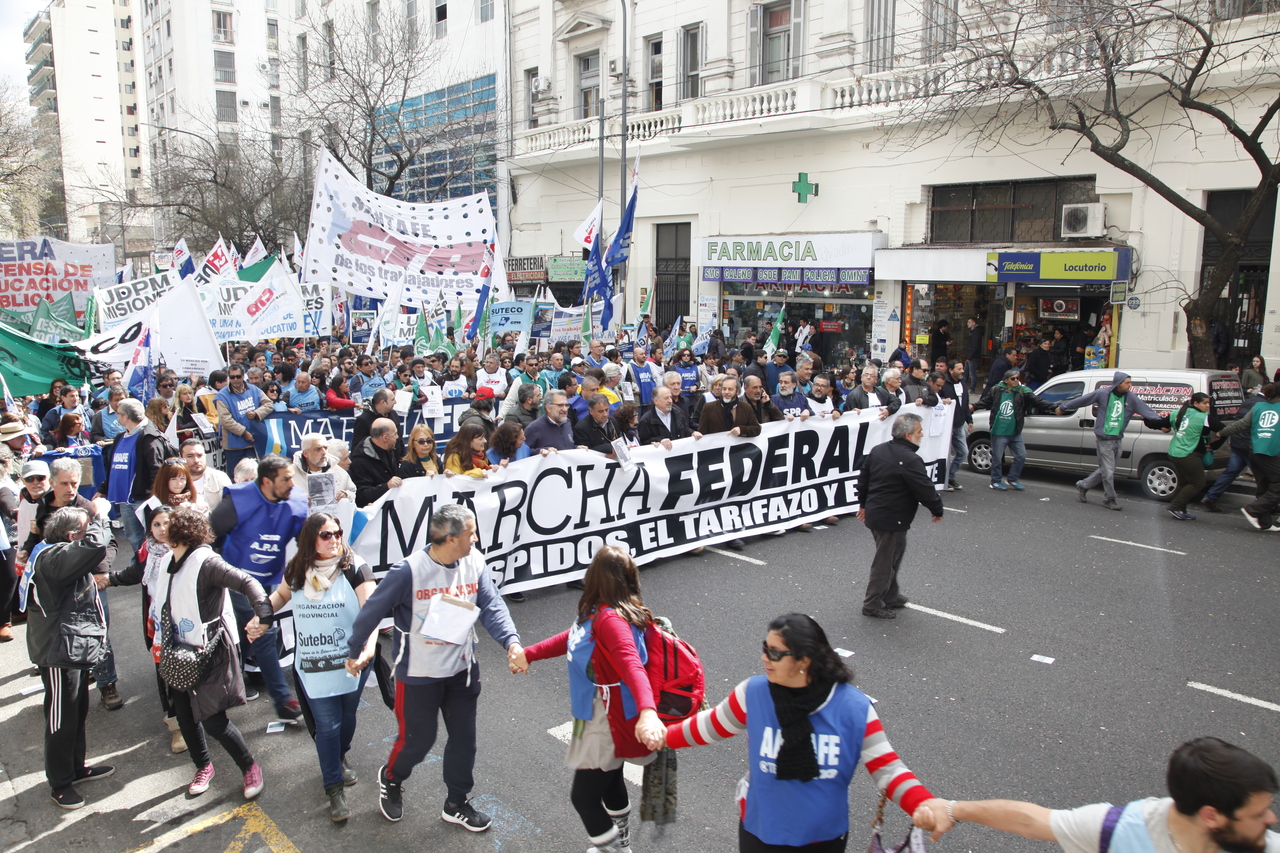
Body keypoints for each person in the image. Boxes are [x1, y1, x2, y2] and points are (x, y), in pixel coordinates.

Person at [661, 613, 943, 852]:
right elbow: (708, 727)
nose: (764, 658)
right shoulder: (753, 693)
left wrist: (923, 804)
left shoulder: (853, 708)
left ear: (803, 660)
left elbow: (888, 769)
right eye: (764, 648)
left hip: (823, 838)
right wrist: (661, 737)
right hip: (759, 833)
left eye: (774, 652)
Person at [342, 504, 523, 828]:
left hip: (462, 671)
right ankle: (392, 777)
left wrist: (512, 642)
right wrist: (355, 651)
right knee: (417, 741)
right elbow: (372, 611)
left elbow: (492, 605)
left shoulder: (475, 562)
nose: (476, 539)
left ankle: (456, 802)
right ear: (450, 539)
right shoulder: (408, 571)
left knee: (464, 741)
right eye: (471, 534)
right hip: (418, 676)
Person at [511, 546, 664, 853]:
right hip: (599, 713)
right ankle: (621, 844)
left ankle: (615, 850)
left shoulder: (611, 620)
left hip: (606, 719)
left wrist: (648, 712)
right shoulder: (605, 611)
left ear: (594, 577)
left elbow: (632, 666)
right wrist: (530, 654)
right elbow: (572, 638)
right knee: (610, 781)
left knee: (583, 798)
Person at [911, 737, 1278, 853]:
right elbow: (1031, 821)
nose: (1271, 820)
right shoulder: (1119, 831)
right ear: (1211, 815)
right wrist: (950, 809)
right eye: (1259, 813)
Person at [263, 513, 378, 822]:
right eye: (326, 535)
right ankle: (334, 788)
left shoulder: (356, 568)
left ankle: (340, 755)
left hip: (351, 663)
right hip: (313, 665)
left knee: (346, 718)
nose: (334, 539)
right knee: (327, 725)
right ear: (310, 539)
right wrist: (261, 614)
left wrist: (367, 651)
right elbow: (281, 595)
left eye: (337, 533)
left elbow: (371, 614)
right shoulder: (297, 569)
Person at [157, 506, 274, 801]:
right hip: (178, 651)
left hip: (209, 651)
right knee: (185, 715)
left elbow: (247, 582)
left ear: (179, 533)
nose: (160, 530)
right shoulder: (167, 561)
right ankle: (203, 766)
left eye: (166, 526)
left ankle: (249, 766)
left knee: (212, 719)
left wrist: (262, 613)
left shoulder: (207, 563)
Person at [25, 500, 117, 809]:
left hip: (70, 645)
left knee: (77, 711)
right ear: (70, 536)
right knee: (61, 718)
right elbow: (97, 545)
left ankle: (76, 768)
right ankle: (60, 783)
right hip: (56, 651)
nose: (90, 532)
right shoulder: (54, 558)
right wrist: (100, 516)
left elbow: (102, 550)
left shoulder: (59, 554)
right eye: (85, 529)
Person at [209, 456, 307, 719]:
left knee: (246, 634)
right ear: (266, 482)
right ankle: (282, 701)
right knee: (264, 629)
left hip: (267, 577)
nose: (292, 483)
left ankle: (223, 683)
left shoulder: (296, 502)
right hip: (235, 576)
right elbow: (210, 534)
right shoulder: (238, 501)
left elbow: (306, 542)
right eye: (286, 479)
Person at [99, 506, 186, 754]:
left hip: (187, 621)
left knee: (193, 669)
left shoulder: (189, 549)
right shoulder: (146, 550)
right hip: (159, 623)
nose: (162, 529)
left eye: (166, 523)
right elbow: (136, 573)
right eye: (156, 524)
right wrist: (110, 579)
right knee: (165, 674)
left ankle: (204, 717)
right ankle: (177, 727)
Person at [855, 413, 944, 619]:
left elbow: (863, 480)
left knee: (893, 555)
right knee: (885, 562)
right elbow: (924, 488)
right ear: (908, 435)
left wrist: (863, 504)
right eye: (919, 431)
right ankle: (872, 603)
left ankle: (890, 595)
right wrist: (936, 509)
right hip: (892, 518)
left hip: (877, 514)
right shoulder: (910, 459)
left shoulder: (878, 450)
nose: (922, 435)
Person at [1058, 371, 1170, 511]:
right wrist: (1063, 408)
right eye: (1127, 383)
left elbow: (1147, 412)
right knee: (1108, 471)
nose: (1130, 385)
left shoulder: (1131, 398)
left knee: (1107, 470)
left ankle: (1083, 485)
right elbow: (1083, 400)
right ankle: (1109, 499)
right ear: (1118, 384)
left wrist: (1162, 424)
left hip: (1117, 439)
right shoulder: (1102, 394)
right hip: (1104, 439)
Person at [97, 398, 174, 554]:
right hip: (125, 499)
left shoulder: (149, 438)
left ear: (126, 417)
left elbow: (156, 470)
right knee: (134, 538)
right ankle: (138, 564)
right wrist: (103, 489)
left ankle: (150, 565)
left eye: (119, 414)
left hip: (143, 499)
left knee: (150, 538)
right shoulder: (121, 437)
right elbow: (113, 467)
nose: (117, 417)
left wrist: (155, 497)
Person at [973, 369, 1056, 491]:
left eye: (1017, 378)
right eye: (1013, 378)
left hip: (1015, 432)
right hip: (999, 431)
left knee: (1021, 456)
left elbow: (1038, 401)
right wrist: (973, 407)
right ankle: (995, 481)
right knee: (997, 459)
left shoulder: (1022, 391)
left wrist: (1054, 407)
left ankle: (1012, 478)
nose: (1016, 380)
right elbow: (985, 402)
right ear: (1006, 380)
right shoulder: (996, 390)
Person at [1216, 382, 1280, 530]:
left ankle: (1264, 523)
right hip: (1271, 453)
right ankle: (1252, 510)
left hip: (1254, 452)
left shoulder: (1258, 407)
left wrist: (1222, 432)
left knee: (1264, 487)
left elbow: (1241, 424)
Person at [1165, 392, 1225, 521]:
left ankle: (1181, 510)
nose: (1208, 406)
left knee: (1184, 482)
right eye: (1205, 403)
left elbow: (1161, 423)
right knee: (1198, 483)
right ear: (1196, 403)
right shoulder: (1204, 417)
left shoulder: (1177, 412)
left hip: (1174, 452)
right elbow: (1224, 430)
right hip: (1189, 454)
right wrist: (1214, 445)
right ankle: (1175, 506)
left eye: (1209, 403)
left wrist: (1149, 419)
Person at [1203, 388, 1265, 512]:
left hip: (1237, 442)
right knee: (1262, 476)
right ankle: (1264, 505)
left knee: (1231, 471)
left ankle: (1211, 496)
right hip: (1250, 444)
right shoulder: (1264, 405)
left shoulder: (1248, 401)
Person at [214, 365, 272, 474]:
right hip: (233, 445)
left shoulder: (254, 389)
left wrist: (256, 413)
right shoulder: (221, 396)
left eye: (238, 376)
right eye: (232, 377)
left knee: (253, 474)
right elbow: (225, 420)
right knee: (235, 475)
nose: (235, 379)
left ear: (243, 376)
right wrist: (244, 432)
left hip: (253, 443)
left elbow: (269, 404)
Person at [351, 418, 405, 506]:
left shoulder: (389, 450)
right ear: (385, 437)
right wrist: (386, 486)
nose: (397, 437)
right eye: (395, 434)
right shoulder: (360, 462)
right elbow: (361, 495)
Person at [293, 433, 357, 501]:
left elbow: (352, 492)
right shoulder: (291, 474)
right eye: (318, 449)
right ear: (305, 453)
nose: (324, 452)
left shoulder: (338, 471)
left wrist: (346, 494)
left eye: (325, 448)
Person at [941, 360, 971, 491]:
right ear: (951, 370)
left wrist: (969, 420)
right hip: (946, 424)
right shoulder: (944, 384)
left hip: (959, 424)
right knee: (945, 454)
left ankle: (950, 476)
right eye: (959, 369)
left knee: (963, 452)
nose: (962, 371)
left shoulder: (963, 384)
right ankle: (944, 479)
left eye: (962, 368)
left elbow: (965, 403)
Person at [180, 439, 231, 511]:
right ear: (181, 458)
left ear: (205, 456)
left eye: (199, 455)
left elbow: (229, 507)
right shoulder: (173, 480)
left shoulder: (219, 477)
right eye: (190, 456)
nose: (196, 460)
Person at [351, 389, 403, 456]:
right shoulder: (363, 420)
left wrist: (402, 457)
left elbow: (399, 439)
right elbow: (357, 448)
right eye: (392, 399)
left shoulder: (393, 414)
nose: (395, 402)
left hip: (395, 460)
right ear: (383, 402)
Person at [964, 317, 983, 389]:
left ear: (974, 323)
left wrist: (970, 356)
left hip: (972, 356)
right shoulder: (973, 331)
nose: (967, 324)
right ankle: (963, 385)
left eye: (969, 322)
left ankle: (972, 388)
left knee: (972, 373)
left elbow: (975, 345)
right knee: (966, 372)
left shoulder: (976, 332)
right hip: (970, 355)